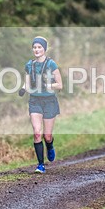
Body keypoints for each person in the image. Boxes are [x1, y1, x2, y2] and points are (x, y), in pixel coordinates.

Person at [20, 36, 62, 173]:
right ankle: (40, 165)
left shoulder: (51, 64)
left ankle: (50, 145)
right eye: (35, 47)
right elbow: (27, 82)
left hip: (49, 101)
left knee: (46, 136)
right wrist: (23, 88)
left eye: (39, 47)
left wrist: (47, 84)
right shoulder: (29, 65)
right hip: (35, 101)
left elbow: (60, 85)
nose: (36, 50)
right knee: (37, 133)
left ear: (44, 49)